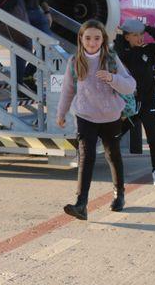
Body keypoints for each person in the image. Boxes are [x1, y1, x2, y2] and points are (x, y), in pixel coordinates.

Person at [56, 20, 136, 220]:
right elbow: (68, 90)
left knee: (112, 154)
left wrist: (111, 78)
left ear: (103, 39)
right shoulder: (75, 61)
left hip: (110, 116)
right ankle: (81, 204)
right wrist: (61, 113)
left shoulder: (110, 59)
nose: (92, 42)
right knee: (86, 157)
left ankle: (119, 195)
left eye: (97, 38)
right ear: (81, 39)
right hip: (85, 116)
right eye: (88, 38)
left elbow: (130, 86)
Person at [114, 19, 155, 186]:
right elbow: (117, 46)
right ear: (127, 37)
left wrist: (147, 28)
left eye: (141, 35)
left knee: (153, 137)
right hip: (129, 105)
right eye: (135, 35)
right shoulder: (122, 54)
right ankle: (116, 168)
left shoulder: (151, 52)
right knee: (114, 136)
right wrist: (119, 34)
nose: (139, 38)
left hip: (148, 103)